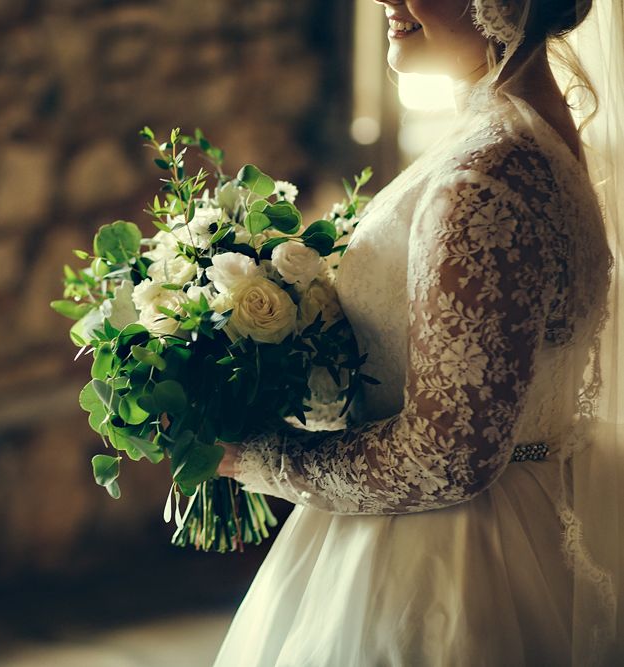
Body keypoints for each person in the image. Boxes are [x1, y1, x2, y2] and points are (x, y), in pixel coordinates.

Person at [213, 1, 624, 665]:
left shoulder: (481, 181)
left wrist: (258, 457)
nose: (388, 0)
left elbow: (445, 455)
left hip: (450, 559)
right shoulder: (530, 140)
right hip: (534, 507)